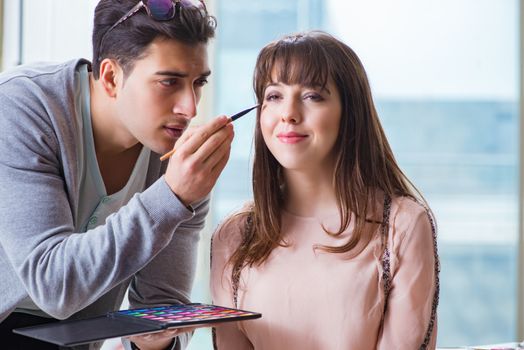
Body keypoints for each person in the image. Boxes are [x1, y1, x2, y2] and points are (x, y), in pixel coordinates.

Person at [0, 0, 233, 349]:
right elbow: (53, 285)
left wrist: (153, 337)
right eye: (169, 82)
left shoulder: (179, 164)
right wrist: (171, 198)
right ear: (111, 77)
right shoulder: (22, 107)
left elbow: (162, 305)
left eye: (198, 83)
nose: (190, 107)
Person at [210, 31, 440, 350]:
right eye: (274, 96)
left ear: (350, 113)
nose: (288, 113)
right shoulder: (234, 236)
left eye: (312, 96)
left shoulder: (402, 226)